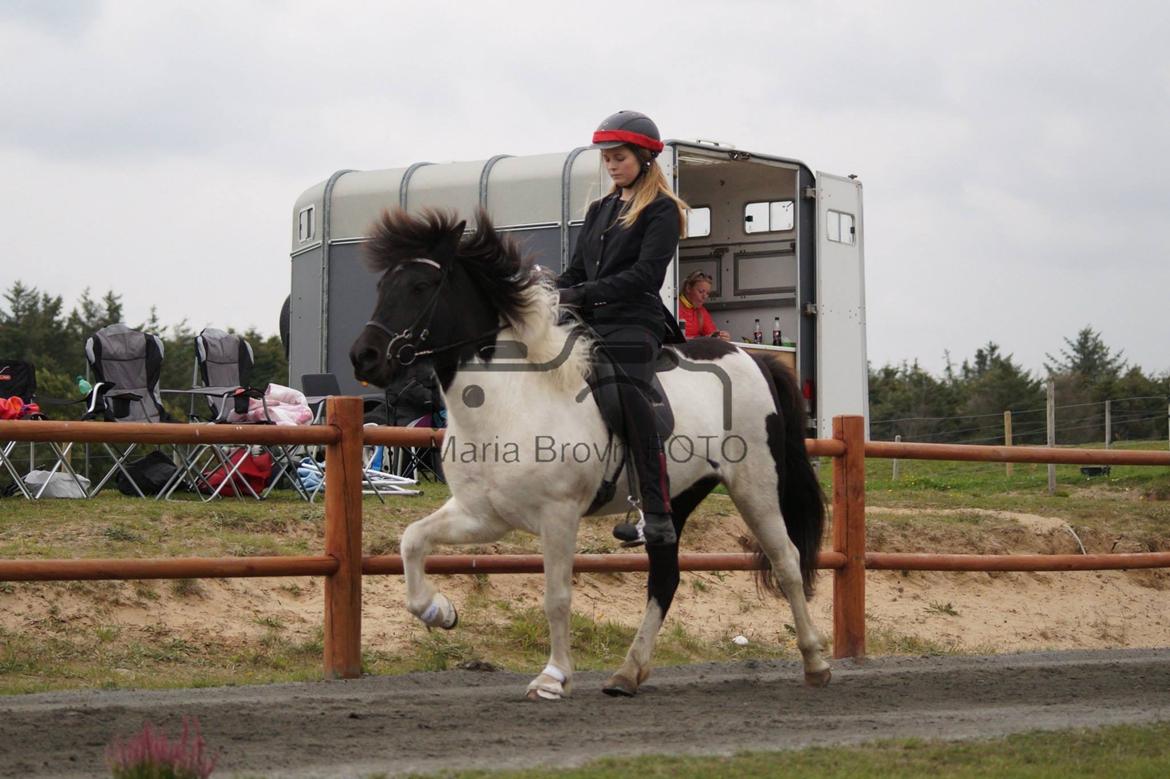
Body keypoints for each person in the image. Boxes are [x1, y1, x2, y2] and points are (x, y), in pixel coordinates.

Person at [557, 110, 687, 549]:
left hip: (635, 319)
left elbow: (646, 276)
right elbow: (575, 271)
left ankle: (656, 509)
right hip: (591, 317)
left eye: (619, 157)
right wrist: (543, 292)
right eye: (607, 158)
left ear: (645, 159)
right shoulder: (599, 210)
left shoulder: (663, 210)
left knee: (626, 391)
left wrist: (582, 294)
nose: (611, 165)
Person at [678, 270, 730, 340]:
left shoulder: (701, 311)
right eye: (701, 292)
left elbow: (712, 334)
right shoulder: (673, 306)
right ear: (688, 288)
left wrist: (720, 336)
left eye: (707, 293)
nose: (705, 297)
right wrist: (704, 339)